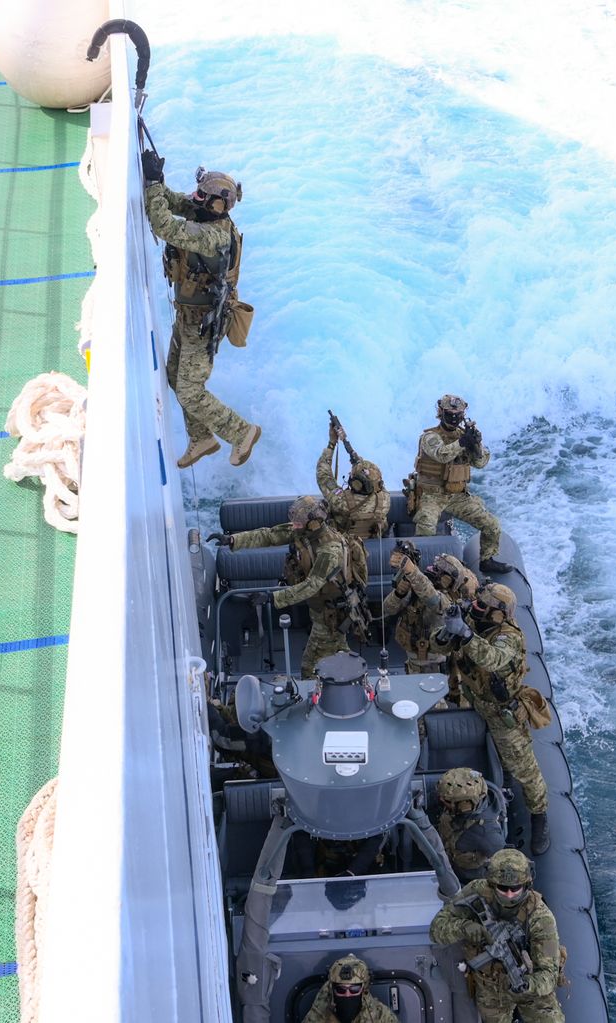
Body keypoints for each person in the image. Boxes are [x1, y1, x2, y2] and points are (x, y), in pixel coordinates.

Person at [141, 151, 261, 469]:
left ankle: (242, 433)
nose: (196, 197)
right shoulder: (205, 213)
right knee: (174, 375)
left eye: (202, 195)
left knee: (190, 391)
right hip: (188, 316)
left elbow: (165, 225)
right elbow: (178, 203)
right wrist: (158, 181)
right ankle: (201, 438)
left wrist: (152, 185)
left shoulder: (213, 236)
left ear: (217, 204)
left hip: (202, 325)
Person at [433, 582, 550, 855]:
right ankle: (503, 777)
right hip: (473, 699)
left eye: (482, 606)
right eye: (476, 603)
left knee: (525, 768)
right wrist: (449, 628)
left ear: (498, 614)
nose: (476, 608)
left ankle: (540, 815)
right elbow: (440, 645)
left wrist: (464, 632)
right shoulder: (475, 622)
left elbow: (493, 659)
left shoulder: (509, 637)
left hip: (500, 710)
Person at [211, 496, 360, 676]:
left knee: (310, 666)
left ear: (313, 523)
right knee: (337, 648)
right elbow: (269, 535)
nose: (294, 526)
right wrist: (233, 540)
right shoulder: (304, 531)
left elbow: (311, 585)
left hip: (331, 614)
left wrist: (271, 597)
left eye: (298, 523)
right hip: (320, 609)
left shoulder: (329, 550)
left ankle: (333, 685)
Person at [429, 850, 563, 1023]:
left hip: (529, 984)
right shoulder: (477, 892)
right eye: (503, 888)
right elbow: (436, 929)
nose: (509, 894)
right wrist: (464, 928)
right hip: (490, 986)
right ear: (492, 884)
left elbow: (549, 975)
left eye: (515, 888)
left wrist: (528, 985)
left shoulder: (541, 918)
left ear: (526, 885)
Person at [407, 394, 512, 574]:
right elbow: (442, 454)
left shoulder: (464, 436)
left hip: (457, 496)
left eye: (458, 414)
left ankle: (486, 560)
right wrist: (463, 442)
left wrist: (475, 445)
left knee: (492, 524)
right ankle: (419, 569)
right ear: (441, 413)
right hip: (432, 495)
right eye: (450, 414)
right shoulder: (430, 437)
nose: (454, 418)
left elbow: (480, 463)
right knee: (426, 526)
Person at [381, 547, 477, 688]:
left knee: (432, 694)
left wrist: (412, 571)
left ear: (447, 580)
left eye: (438, 570)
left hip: (433, 660)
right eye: (434, 567)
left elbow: (432, 598)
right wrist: (399, 593)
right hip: (414, 656)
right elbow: (388, 608)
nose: (432, 570)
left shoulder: (448, 602)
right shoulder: (418, 587)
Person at [319, 419, 389, 541]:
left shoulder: (342, 501)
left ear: (356, 483)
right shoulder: (385, 500)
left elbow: (323, 475)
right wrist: (352, 454)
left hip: (346, 547)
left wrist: (332, 443)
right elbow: (373, 480)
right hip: (373, 543)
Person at [434, 767, 506, 883]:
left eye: (447, 801)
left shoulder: (487, 833)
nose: (441, 801)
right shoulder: (458, 808)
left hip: (466, 878)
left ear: (466, 804)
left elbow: (504, 864)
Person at [301, 954, 398, 1023]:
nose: (347, 995)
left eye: (354, 989)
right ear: (332, 990)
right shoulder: (318, 1015)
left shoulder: (381, 1016)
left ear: (363, 990)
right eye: (341, 990)